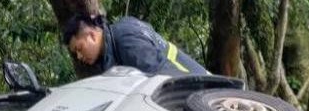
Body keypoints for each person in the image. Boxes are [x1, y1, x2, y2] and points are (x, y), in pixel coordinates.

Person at [61, 12, 207, 77]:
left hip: (198, 89)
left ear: (91, 35)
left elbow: (160, 77)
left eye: (79, 48)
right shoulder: (117, 40)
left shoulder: (125, 40)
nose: (79, 56)